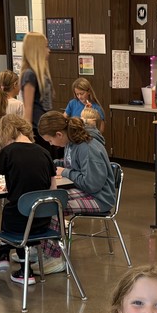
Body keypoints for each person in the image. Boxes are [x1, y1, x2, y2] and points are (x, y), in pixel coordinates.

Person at [38, 111, 116, 277]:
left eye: (50, 140)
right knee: (45, 201)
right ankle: (43, 249)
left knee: (54, 205)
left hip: (99, 198)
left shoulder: (87, 147)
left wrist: (65, 172)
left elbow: (92, 184)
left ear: (59, 134)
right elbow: (70, 164)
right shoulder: (72, 141)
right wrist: (51, 165)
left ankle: (55, 257)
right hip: (87, 191)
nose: (51, 144)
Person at [0, 114, 56, 286]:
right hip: (42, 221)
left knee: (11, 210)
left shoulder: (7, 152)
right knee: (19, 211)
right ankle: (5, 257)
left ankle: (19, 267)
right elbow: (53, 191)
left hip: (18, 223)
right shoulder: (44, 152)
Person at [19, 32, 54, 153]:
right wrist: (28, 135)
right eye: (45, 46)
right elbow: (28, 107)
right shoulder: (30, 74)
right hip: (37, 129)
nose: (48, 50)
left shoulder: (41, 74)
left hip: (46, 127)